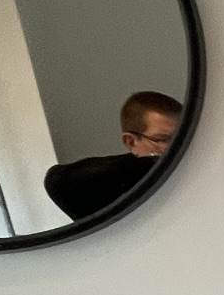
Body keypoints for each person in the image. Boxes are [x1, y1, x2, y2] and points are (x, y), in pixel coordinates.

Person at [44, 91, 183, 221]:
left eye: (181, 136)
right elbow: (58, 181)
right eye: (164, 139)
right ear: (131, 142)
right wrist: (154, 163)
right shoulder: (110, 183)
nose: (177, 145)